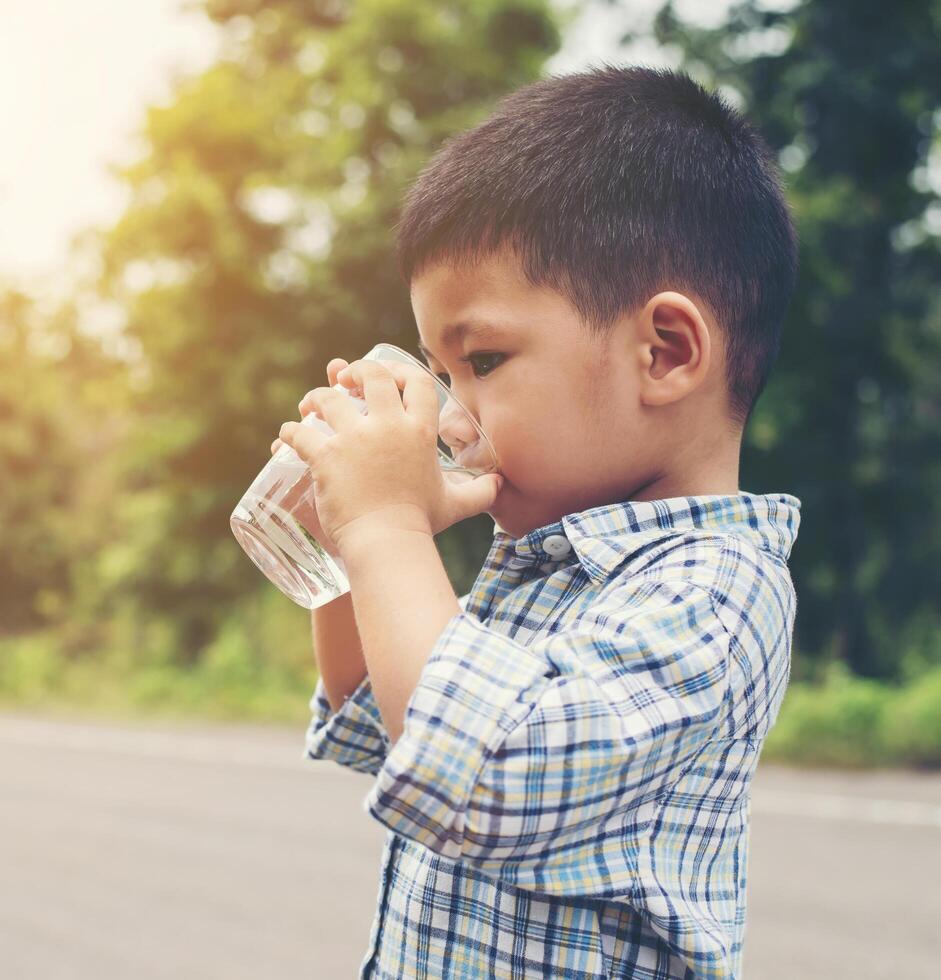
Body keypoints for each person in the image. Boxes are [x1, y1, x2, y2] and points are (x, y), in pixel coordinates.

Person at [275, 64, 801, 979]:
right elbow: (382, 716)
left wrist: (389, 526)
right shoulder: (544, 559)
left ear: (664, 352)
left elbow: (482, 774)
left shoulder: (718, 590)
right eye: (442, 377)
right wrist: (347, 542)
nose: (449, 419)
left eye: (481, 360)